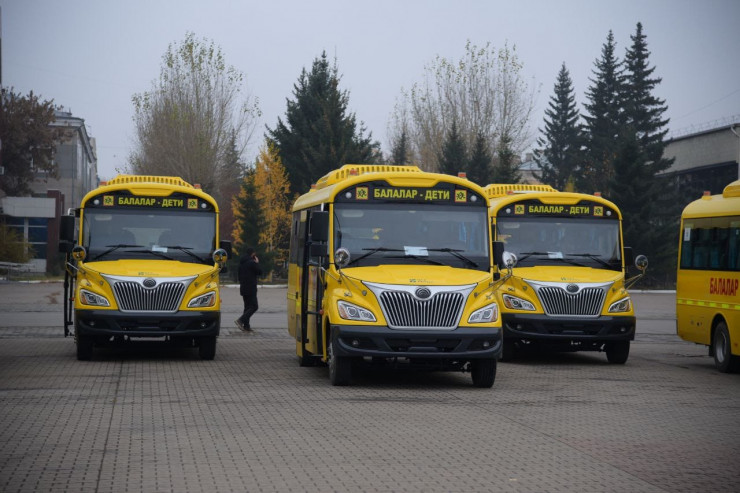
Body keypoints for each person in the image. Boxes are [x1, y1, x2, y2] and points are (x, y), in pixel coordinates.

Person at [236, 247, 263, 332]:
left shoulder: (241, 263)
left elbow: (239, 277)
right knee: (254, 306)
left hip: (243, 288)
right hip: (251, 288)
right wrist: (257, 263)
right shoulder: (252, 263)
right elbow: (260, 272)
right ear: (252, 254)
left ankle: (246, 326)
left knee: (247, 307)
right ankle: (240, 320)